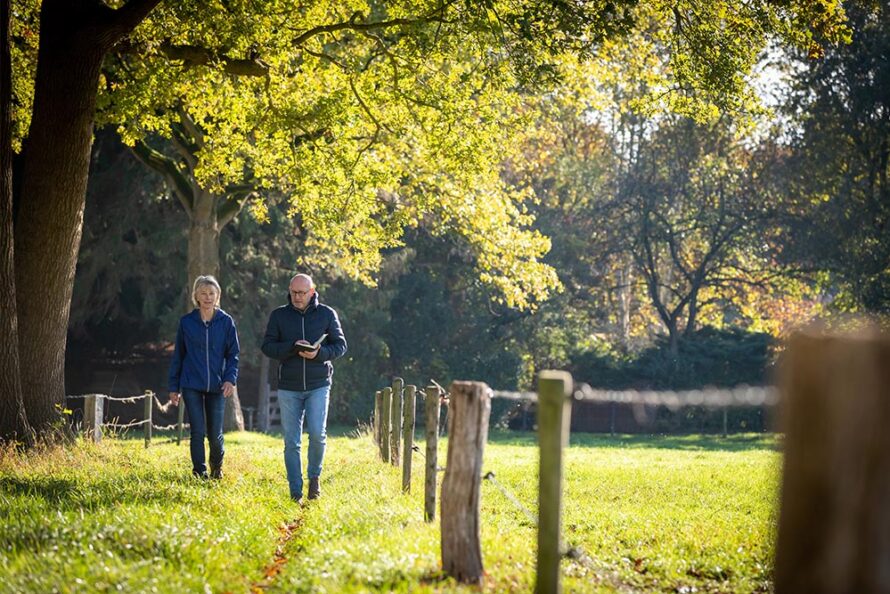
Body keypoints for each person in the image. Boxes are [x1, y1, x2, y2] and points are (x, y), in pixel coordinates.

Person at [262, 273, 347, 502]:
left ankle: (315, 479)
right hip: (288, 386)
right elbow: (268, 347)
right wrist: (291, 347)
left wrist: (319, 354)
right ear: (289, 291)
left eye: (302, 293)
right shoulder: (279, 315)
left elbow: (341, 346)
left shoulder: (327, 314)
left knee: (318, 435)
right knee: (292, 441)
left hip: (319, 384)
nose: (297, 297)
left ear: (312, 292)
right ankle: (295, 491)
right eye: (294, 293)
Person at [168, 275, 240, 479]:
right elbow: (178, 356)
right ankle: (200, 472)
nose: (208, 297)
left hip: (217, 386)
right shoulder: (187, 322)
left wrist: (230, 378)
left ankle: (217, 467)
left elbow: (233, 354)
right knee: (197, 432)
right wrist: (173, 387)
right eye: (203, 293)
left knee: (215, 435)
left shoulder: (226, 322)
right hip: (191, 384)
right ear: (196, 297)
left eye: (212, 293)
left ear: (217, 296)